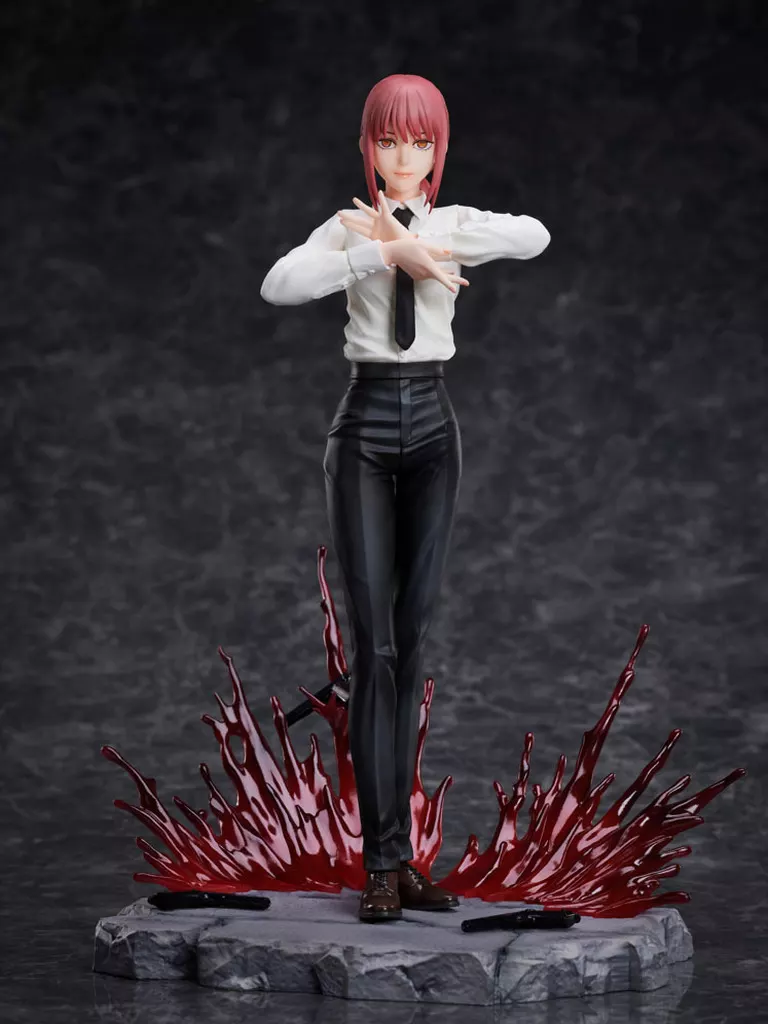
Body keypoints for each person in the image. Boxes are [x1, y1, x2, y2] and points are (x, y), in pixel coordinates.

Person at [260, 73, 550, 922]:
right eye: (389, 140)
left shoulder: (452, 222)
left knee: (412, 646)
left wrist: (430, 241)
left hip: (433, 426)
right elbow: (280, 285)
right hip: (363, 428)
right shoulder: (349, 224)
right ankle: (381, 864)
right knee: (375, 652)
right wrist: (384, 252)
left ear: (438, 149)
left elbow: (534, 235)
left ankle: (406, 859)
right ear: (368, 146)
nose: (404, 156)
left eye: (421, 142)